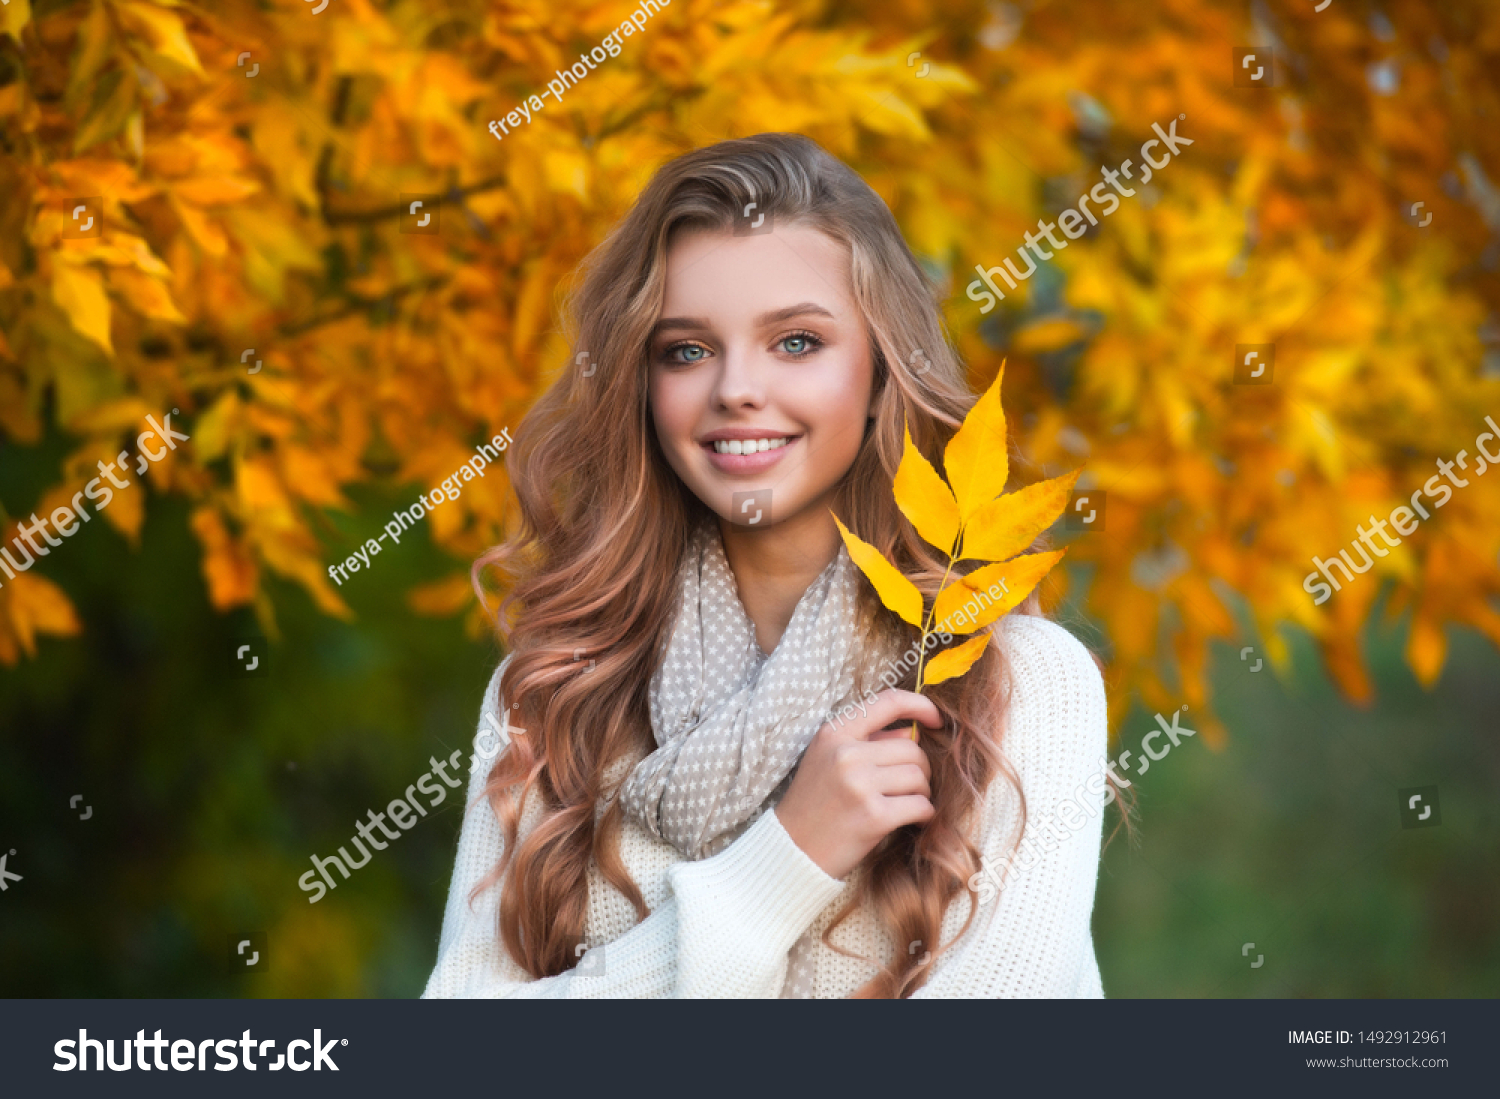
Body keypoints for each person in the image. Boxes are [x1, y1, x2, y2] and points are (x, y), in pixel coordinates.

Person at [423, 132, 1110, 998]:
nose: (736, 388)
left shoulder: (1014, 685)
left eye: (795, 342)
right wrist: (778, 868)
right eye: (686, 349)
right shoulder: (557, 690)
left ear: (880, 370)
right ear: (642, 382)